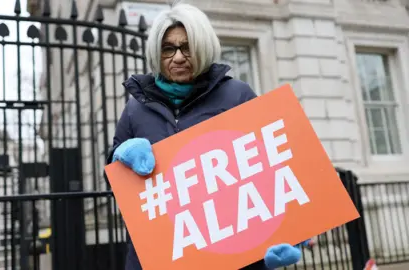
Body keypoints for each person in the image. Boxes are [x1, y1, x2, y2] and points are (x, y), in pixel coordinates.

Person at [107, 2, 308, 270]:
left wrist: (287, 231)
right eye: (168, 48)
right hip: (160, 256)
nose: (178, 57)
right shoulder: (135, 108)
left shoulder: (237, 95)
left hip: (231, 253)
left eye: (187, 47)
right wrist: (122, 155)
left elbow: (276, 166)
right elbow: (113, 177)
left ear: (203, 47)